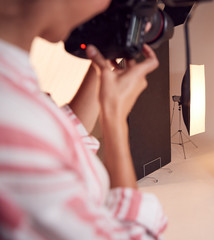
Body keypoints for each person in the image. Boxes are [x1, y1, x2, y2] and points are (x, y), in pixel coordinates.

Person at [0, 0, 167, 239]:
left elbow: (62, 135)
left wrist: (107, 59)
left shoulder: (14, 90)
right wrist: (115, 120)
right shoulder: (13, 126)